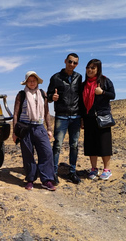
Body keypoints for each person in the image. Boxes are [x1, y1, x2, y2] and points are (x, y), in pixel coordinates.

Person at [12, 71, 56, 191]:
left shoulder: (42, 94)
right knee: (28, 155)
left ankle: (46, 180)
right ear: (26, 82)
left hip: (39, 127)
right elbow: (15, 114)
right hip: (25, 128)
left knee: (47, 152)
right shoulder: (21, 95)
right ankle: (30, 179)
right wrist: (14, 132)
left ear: (37, 81)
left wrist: (49, 129)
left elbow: (47, 112)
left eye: (34, 80)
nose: (32, 83)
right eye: (29, 81)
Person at [47, 53, 83, 185]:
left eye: (75, 63)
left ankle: (72, 172)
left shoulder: (78, 77)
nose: (72, 64)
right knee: (57, 145)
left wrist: (82, 117)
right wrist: (52, 98)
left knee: (74, 145)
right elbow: (49, 96)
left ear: (77, 64)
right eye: (70, 61)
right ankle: (53, 172)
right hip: (61, 116)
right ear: (65, 61)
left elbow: (81, 97)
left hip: (76, 116)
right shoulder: (56, 77)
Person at [80, 59, 116, 180]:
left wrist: (102, 92)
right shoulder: (83, 85)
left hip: (102, 117)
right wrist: (82, 118)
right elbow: (81, 103)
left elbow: (113, 95)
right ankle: (94, 169)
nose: (90, 70)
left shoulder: (105, 81)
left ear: (98, 69)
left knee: (104, 143)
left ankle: (107, 169)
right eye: (88, 67)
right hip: (88, 117)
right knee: (91, 144)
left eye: (93, 68)